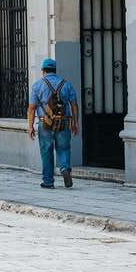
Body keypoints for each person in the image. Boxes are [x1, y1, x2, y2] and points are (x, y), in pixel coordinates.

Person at [27, 58, 79, 189]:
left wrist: (30, 126)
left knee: (46, 151)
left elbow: (32, 108)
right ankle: (65, 168)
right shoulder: (66, 84)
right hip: (64, 121)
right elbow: (74, 105)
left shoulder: (38, 85)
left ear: (43, 71)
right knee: (64, 148)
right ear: (55, 70)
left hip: (45, 123)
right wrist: (75, 122)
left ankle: (48, 181)